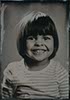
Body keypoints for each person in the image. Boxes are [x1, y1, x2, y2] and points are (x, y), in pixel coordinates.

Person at [1, 11, 69, 100]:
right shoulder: (12, 71)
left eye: (46, 38)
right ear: (22, 42)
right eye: (31, 38)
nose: (39, 43)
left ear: (54, 42)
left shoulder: (59, 72)